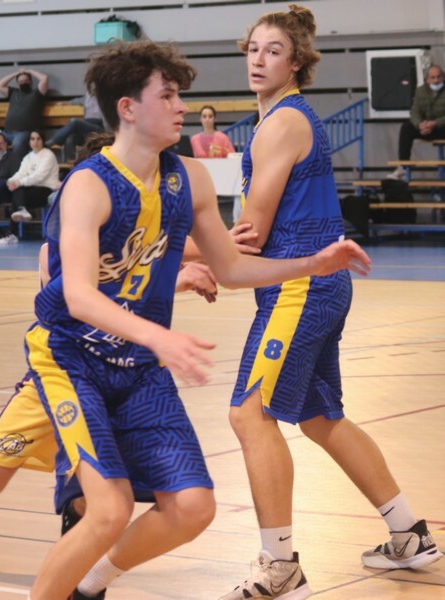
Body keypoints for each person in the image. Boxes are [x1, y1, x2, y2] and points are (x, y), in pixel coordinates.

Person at [22, 39, 370, 600]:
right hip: (73, 361)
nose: (182, 106)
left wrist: (314, 263)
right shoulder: (88, 184)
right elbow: (80, 297)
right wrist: (160, 336)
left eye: (179, 94)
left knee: (192, 507)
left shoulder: (190, 178)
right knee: (108, 509)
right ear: (128, 108)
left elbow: (231, 268)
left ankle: (88, 583)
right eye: (167, 95)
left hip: (138, 366)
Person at [216, 7, 443, 600]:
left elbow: (251, 233)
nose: (258, 59)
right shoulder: (281, 119)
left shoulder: (281, 124)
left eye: (273, 51)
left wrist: (180, 255)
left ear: (296, 62)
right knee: (320, 416)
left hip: (299, 288)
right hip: (318, 285)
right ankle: (409, 533)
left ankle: (280, 565)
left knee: (249, 414)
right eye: (253, 48)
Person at [0, 236, 220, 588]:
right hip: (60, 376)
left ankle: (82, 568)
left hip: (124, 379)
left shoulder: (146, 231)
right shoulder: (57, 247)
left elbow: (203, 247)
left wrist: (225, 245)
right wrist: (175, 280)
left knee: (94, 496)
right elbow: (84, 308)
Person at [0, 129, 59, 244]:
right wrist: (11, 181)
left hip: (47, 189)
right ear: (29, 142)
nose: (35, 142)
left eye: (38, 139)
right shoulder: (28, 157)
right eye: (32, 139)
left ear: (43, 141)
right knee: (17, 192)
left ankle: (12, 233)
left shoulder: (48, 155)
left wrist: (19, 183)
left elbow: (39, 176)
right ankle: (21, 212)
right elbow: (21, 173)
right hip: (31, 189)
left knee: (18, 192)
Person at [389, 64, 445, 180]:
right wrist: (420, 125)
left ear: (443, 77)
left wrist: (435, 123)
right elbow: (414, 112)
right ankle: (403, 167)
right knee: (406, 127)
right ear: (427, 79)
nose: (436, 80)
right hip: (427, 128)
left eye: (439, 77)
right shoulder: (420, 91)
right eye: (433, 77)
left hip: (442, 128)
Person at [0, 68, 49, 161]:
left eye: (26, 80)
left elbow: (44, 78)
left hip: (24, 132)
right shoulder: (13, 92)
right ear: (17, 83)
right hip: (7, 132)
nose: (24, 83)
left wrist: (29, 71)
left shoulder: (37, 93)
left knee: (17, 145)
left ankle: (15, 167)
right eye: (21, 81)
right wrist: (15, 73)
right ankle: (0, 165)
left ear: (31, 81)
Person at [46, 92, 106, 160]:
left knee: (74, 122)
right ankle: (71, 161)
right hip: (86, 128)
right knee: (70, 138)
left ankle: (53, 141)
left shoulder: (104, 98)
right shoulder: (87, 97)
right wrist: (65, 103)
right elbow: (76, 101)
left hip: (99, 129)